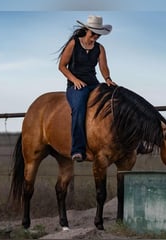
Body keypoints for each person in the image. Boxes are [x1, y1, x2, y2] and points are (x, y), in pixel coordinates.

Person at [58, 15, 117, 162]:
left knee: (115, 100)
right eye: (92, 34)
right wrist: (74, 80)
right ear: (86, 30)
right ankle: (77, 149)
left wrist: (108, 79)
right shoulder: (74, 44)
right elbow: (62, 66)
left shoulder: (100, 48)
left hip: (93, 83)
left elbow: (103, 67)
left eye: (97, 36)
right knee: (78, 108)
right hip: (75, 85)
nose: (94, 38)